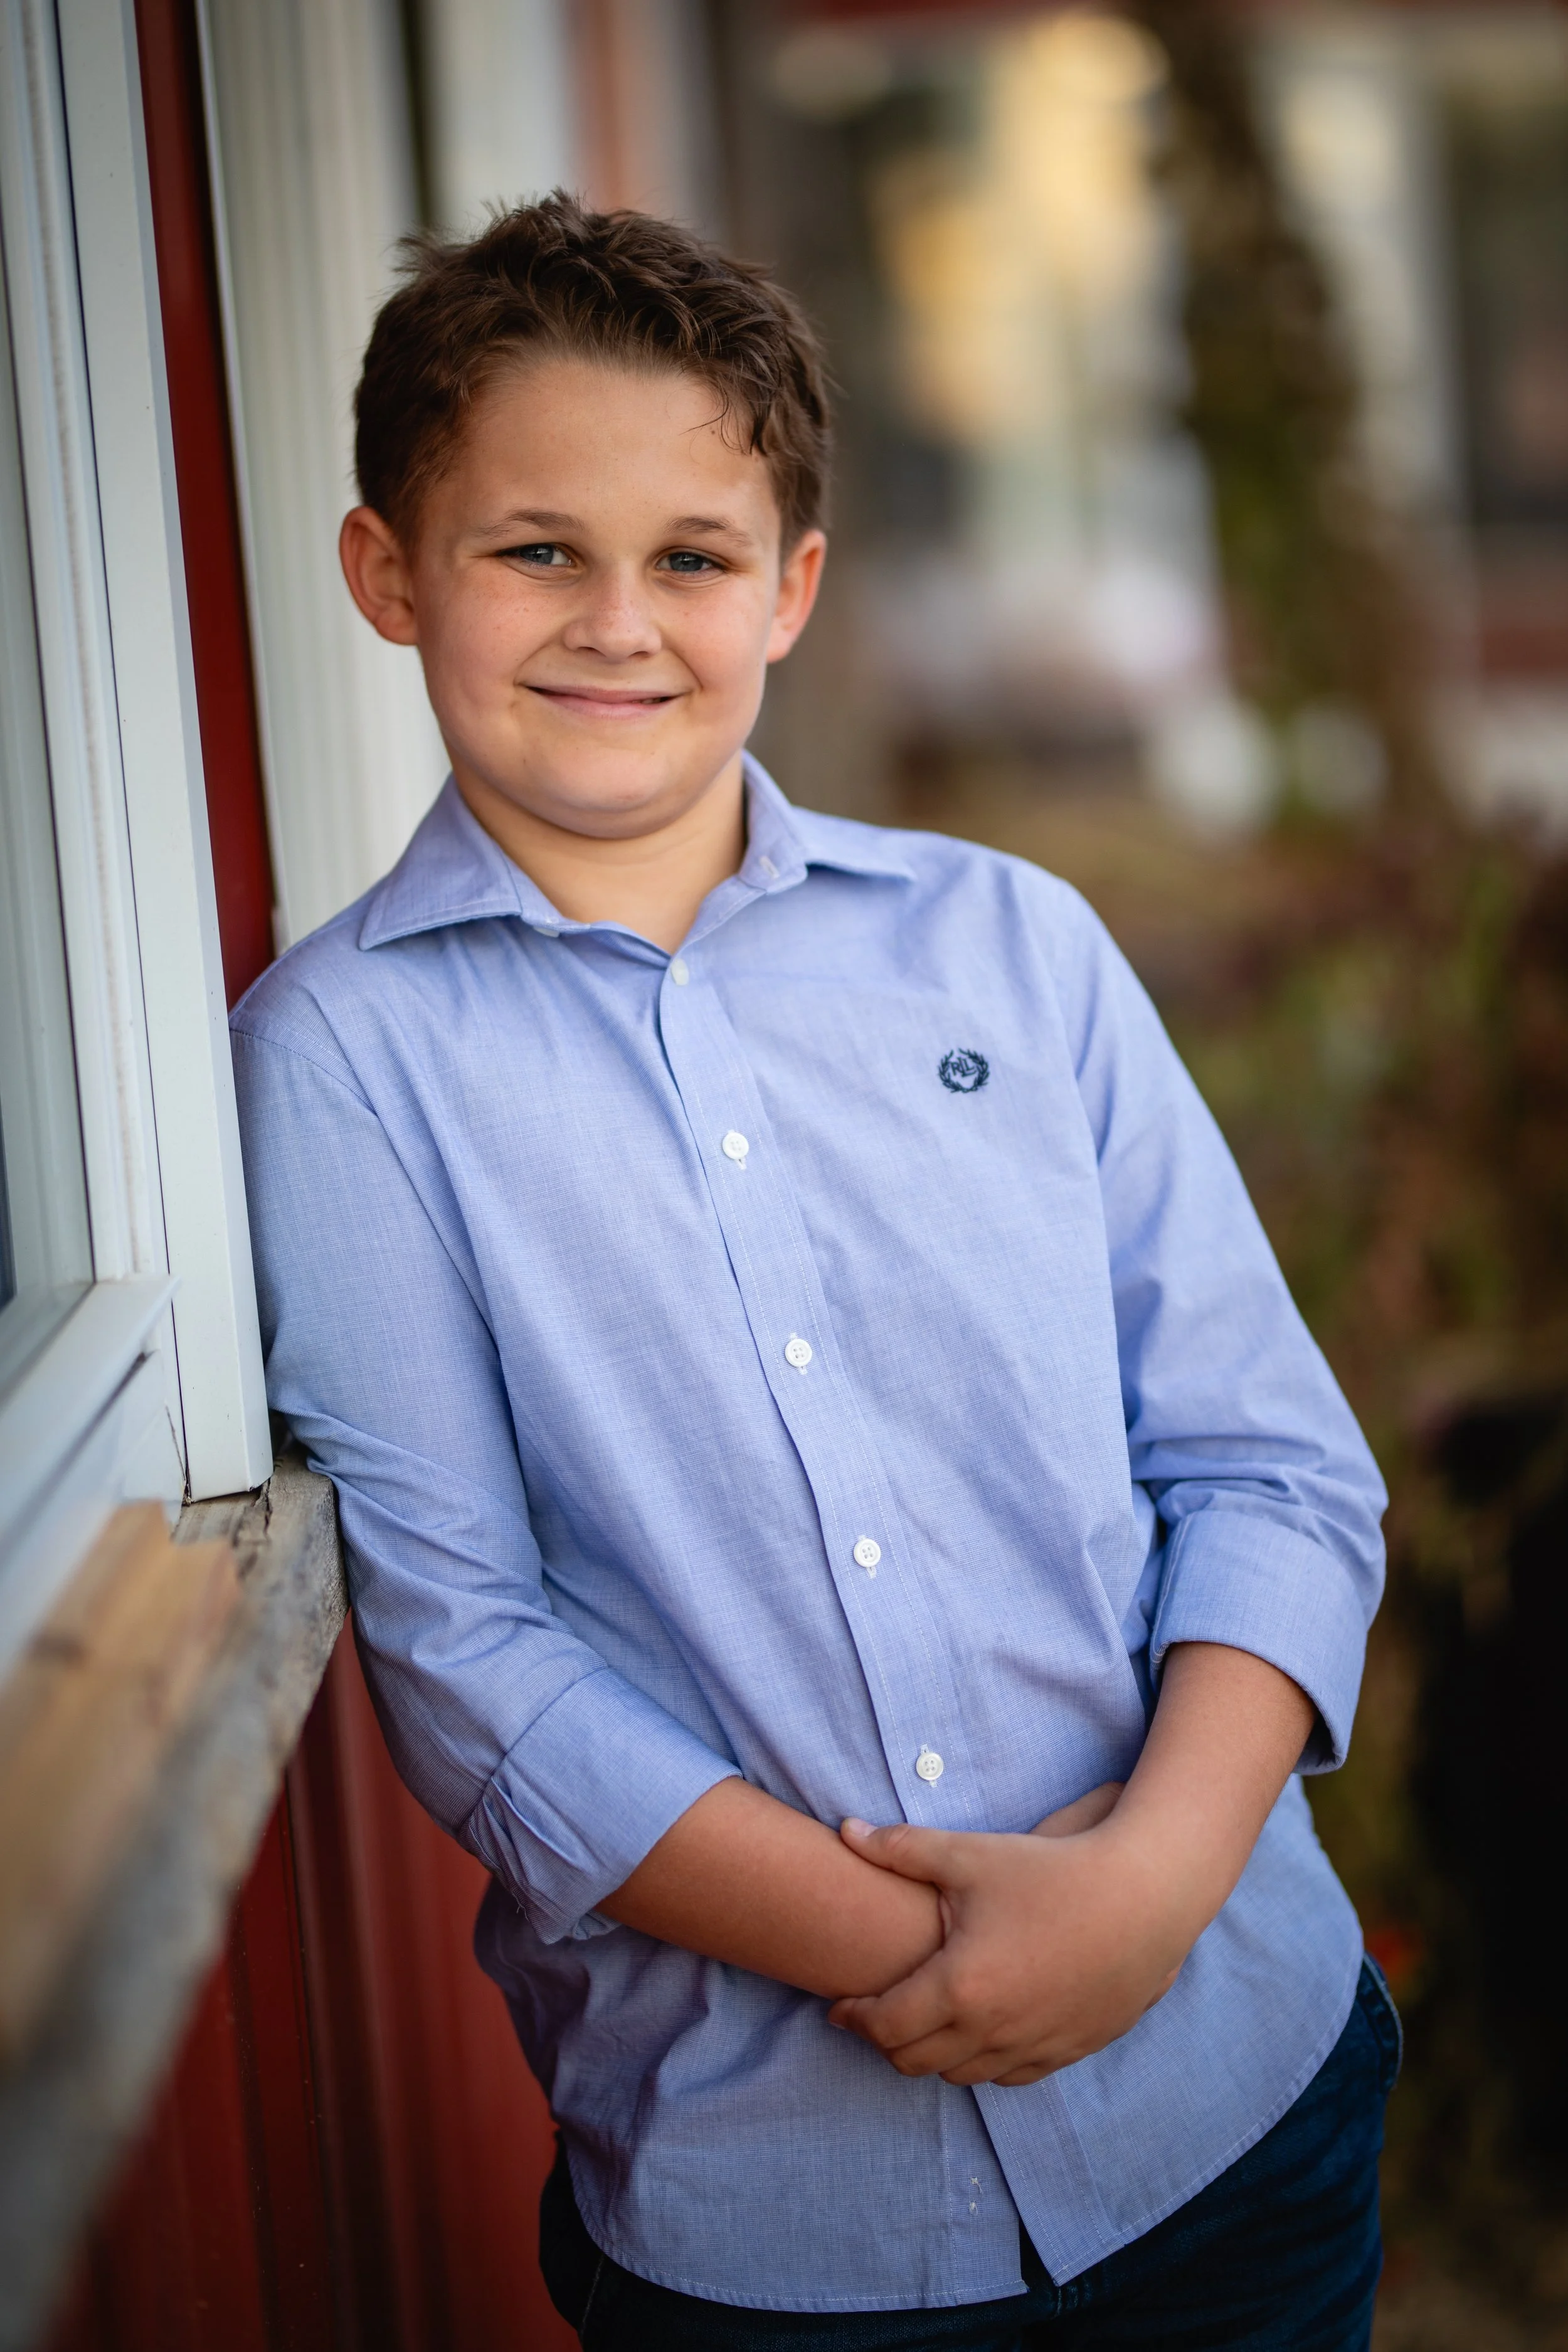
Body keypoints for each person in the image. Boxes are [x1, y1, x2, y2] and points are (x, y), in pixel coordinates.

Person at [231, 195, 1399, 2350]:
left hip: (1233, 2097)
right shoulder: (341, 1063)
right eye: (534, 549)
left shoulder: (1009, 945)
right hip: (785, 2226)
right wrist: (934, 1952)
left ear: (789, 586)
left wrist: (1144, 1898)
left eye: (689, 556)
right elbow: (475, 1660)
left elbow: (1269, 1465)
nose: (617, 623)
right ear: (389, 574)